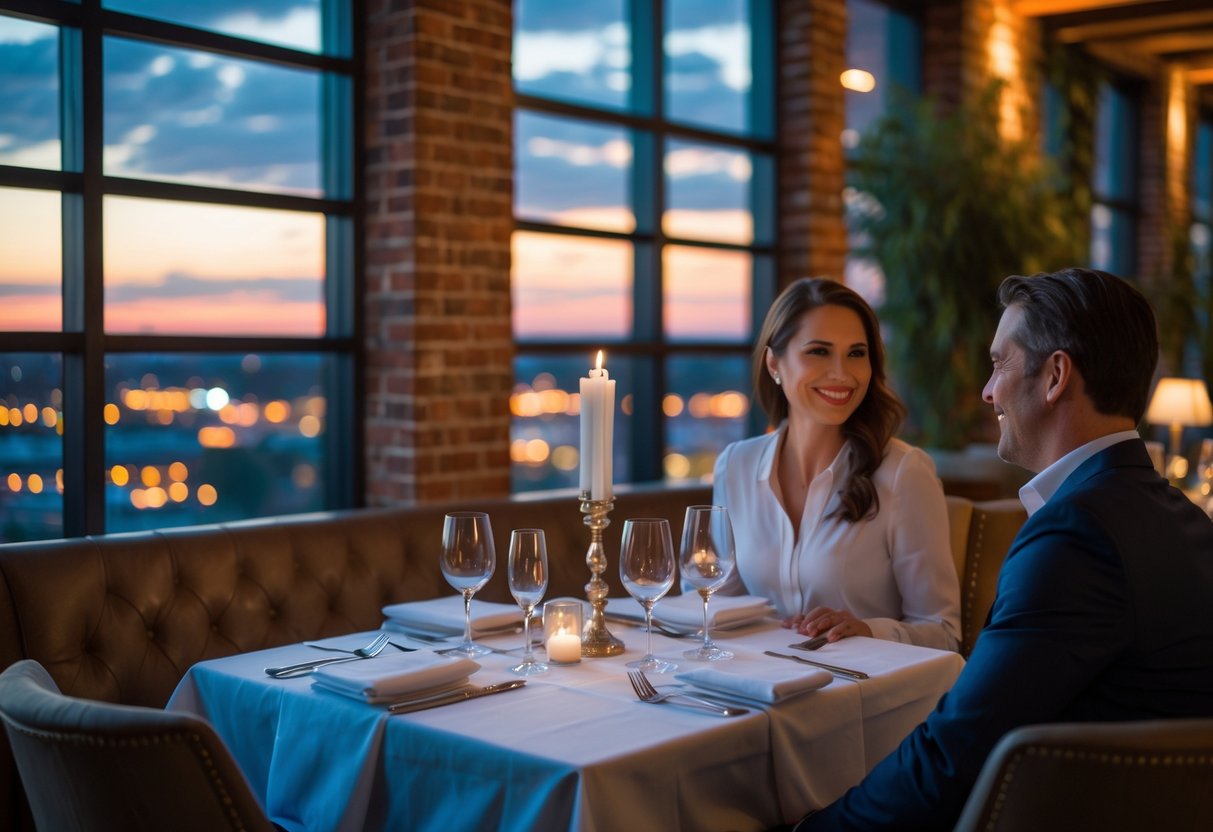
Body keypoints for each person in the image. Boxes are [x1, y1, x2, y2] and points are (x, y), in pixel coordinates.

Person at [798, 267, 1213, 831]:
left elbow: (953, 756)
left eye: (999, 363)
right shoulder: (1183, 519)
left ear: (1055, 376)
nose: (988, 390)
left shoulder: (1078, 536)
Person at [712, 277, 961, 651]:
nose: (842, 374)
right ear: (774, 363)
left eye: (856, 354)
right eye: (819, 351)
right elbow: (714, 608)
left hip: (866, 696)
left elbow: (945, 634)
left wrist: (869, 630)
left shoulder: (904, 472)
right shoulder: (736, 465)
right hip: (763, 690)